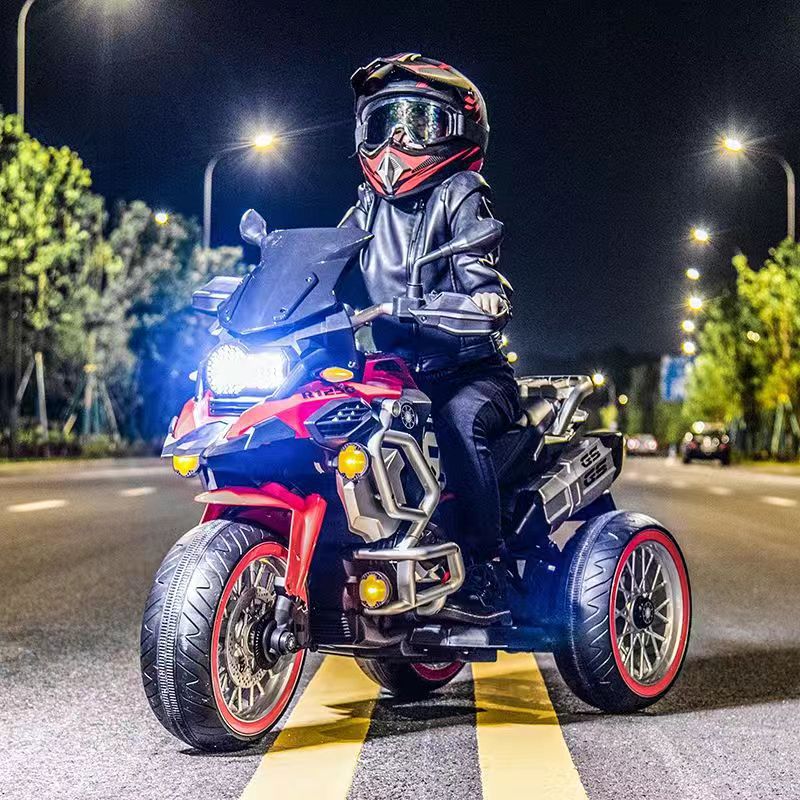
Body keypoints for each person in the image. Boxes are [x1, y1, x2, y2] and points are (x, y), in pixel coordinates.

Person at [339, 53, 519, 625]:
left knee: (457, 421)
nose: (397, 140)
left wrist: (483, 298)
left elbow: (476, 260)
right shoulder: (367, 203)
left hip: (469, 372)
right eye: (384, 122)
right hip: (395, 375)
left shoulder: (461, 191)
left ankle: (487, 568)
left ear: (458, 131)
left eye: (418, 122)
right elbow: (327, 258)